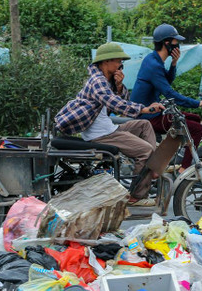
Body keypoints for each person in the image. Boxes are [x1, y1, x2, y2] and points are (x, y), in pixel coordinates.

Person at [55, 42, 164, 203]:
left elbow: (120, 100)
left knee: (144, 125)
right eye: (118, 61)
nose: (121, 65)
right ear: (106, 61)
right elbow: (115, 104)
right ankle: (137, 196)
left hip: (109, 128)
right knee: (145, 150)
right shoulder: (97, 80)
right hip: (101, 135)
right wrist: (145, 109)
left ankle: (152, 167)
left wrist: (119, 86)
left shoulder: (106, 80)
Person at [131, 24, 202, 169]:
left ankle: (175, 153)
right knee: (196, 129)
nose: (178, 44)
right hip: (148, 117)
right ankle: (184, 169)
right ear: (167, 43)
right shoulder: (153, 64)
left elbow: (164, 82)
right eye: (176, 41)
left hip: (155, 111)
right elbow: (169, 93)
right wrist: (199, 103)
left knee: (195, 119)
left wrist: (174, 64)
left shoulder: (154, 59)